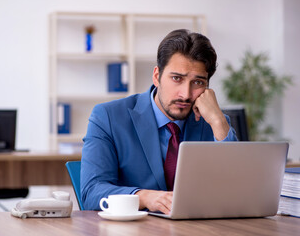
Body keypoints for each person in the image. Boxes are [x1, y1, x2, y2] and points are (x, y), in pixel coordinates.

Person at [81, 29, 238, 214]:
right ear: (157, 76)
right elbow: (91, 192)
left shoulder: (213, 123)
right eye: (176, 78)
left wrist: (218, 121)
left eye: (197, 82)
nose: (185, 94)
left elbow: (237, 190)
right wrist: (146, 197)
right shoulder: (107, 117)